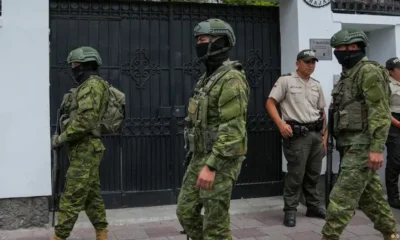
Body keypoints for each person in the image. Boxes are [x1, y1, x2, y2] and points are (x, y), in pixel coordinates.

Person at [321, 28, 399, 240]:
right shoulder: (349, 75)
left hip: (362, 145)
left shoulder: (368, 71)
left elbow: (380, 113)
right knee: (370, 197)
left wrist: (376, 149)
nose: (338, 52)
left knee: (340, 197)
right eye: (336, 48)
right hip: (349, 145)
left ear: (355, 47)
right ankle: (391, 233)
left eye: (342, 48)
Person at [176, 18, 250, 240]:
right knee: (186, 212)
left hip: (221, 160)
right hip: (200, 156)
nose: (199, 43)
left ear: (222, 42)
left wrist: (212, 165)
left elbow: (233, 130)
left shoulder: (232, 79)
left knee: (215, 224)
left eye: (204, 39)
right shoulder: (207, 78)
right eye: (198, 39)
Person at [51, 46, 109, 240]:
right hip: (83, 149)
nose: (73, 68)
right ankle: (102, 233)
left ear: (85, 65)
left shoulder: (92, 86)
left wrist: (61, 138)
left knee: (71, 196)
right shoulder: (87, 86)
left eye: (75, 64)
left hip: (86, 149)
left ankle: (59, 236)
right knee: (92, 196)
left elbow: (85, 122)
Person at [266, 49, 327, 227]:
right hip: (297, 136)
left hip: (316, 135)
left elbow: (322, 112)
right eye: (307, 61)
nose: (311, 65)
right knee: (295, 175)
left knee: (314, 174)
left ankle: (313, 206)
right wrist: (280, 124)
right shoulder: (286, 81)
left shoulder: (316, 84)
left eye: (313, 62)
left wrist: (325, 135)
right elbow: (270, 102)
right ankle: (290, 210)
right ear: (297, 63)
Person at [385, 57, 400, 210]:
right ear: (391, 71)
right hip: (394, 124)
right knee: (395, 162)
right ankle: (393, 198)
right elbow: (384, 109)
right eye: (398, 69)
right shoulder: (387, 86)